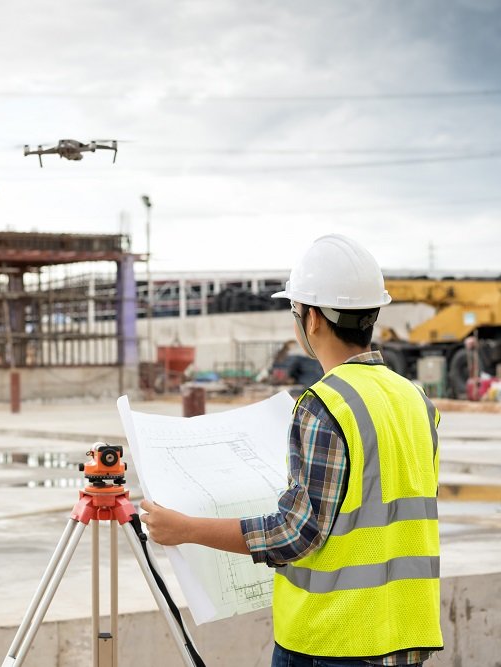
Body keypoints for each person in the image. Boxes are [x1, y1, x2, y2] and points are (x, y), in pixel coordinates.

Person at [140, 234, 441, 666]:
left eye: (295, 311)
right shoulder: (416, 400)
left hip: (334, 641)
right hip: (404, 635)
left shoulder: (325, 406)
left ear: (313, 319)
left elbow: (294, 533)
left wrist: (186, 529)